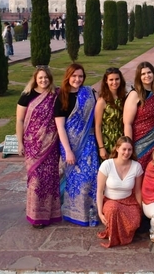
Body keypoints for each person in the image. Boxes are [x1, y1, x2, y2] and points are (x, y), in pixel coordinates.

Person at [54, 63, 99, 225]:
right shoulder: (61, 97)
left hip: (88, 142)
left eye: (80, 76)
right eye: (74, 76)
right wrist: (68, 151)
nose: (77, 79)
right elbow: (60, 126)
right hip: (70, 145)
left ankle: (89, 213)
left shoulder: (89, 93)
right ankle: (72, 212)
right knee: (74, 180)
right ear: (68, 76)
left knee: (90, 178)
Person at [15, 66, 61, 228]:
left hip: (51, 144)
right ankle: (36, 215)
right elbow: (20, 120)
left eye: (46, 78)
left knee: (50, 178)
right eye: (40, 78)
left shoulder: (56, 94)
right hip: (32, 145)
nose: (43, 80)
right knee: (36, 180)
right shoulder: (27, 96)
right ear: (35, 78)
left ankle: (51, 213)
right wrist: (20, 142)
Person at [96, 136, 143, 248]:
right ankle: (114, 236)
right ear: (117, 149)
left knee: (135, 222)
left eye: (129, 150)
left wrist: (140, 210)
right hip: (110, 201)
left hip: (128, 201)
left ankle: (119, 230)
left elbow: (137, 191)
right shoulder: (107, 165)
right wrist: (99, 212)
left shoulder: (136, 166)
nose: (127, 152)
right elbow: (99, 191)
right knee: (113, 209)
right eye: (124, 149)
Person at [123, 61, 154, 169]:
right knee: (140, 173)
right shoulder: (135, 95)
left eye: (149, 72)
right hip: (140, 143)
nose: (147, 76)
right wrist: (129, 147)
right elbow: (127, 123)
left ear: (153, 73)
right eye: (143, 74)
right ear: (139, 77)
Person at [94, 67, 127, 160]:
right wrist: (101, 147)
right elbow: (98, 126)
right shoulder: (102, 101)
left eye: (117, 79)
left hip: (121, 140)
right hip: (107, 142)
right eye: (111, 80)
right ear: (106, 81)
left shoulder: (123, 97)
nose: (114, 82)